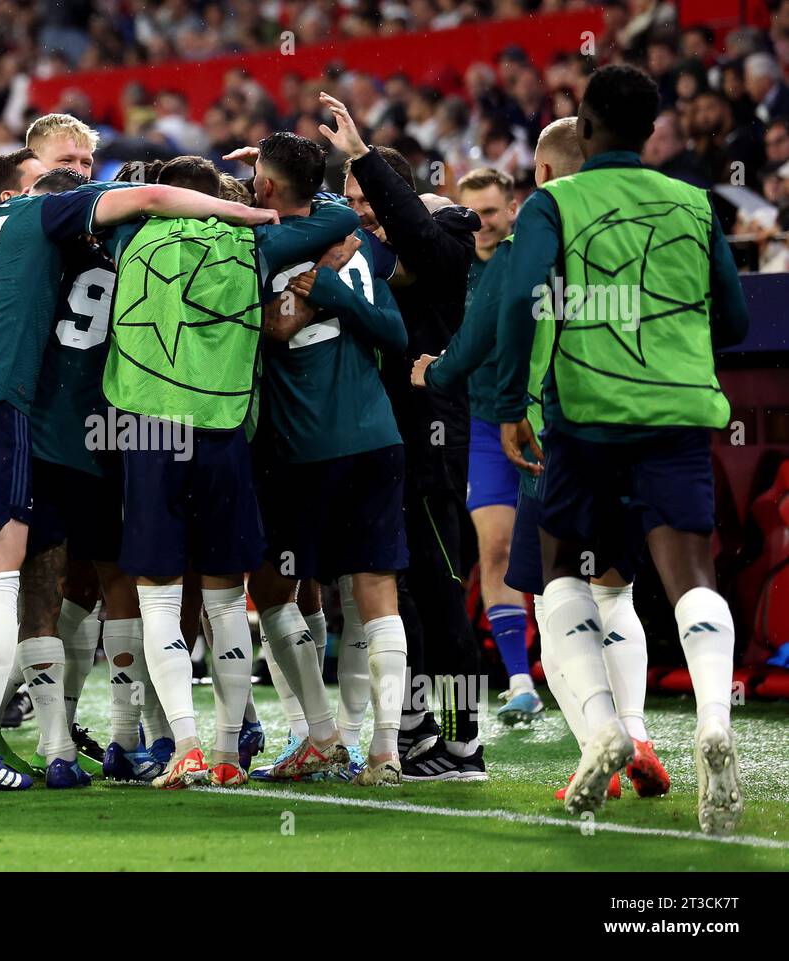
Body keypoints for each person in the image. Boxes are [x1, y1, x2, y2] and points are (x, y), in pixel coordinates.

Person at [0, 152, 276, 792]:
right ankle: (108, 738)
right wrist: (251, 211)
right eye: (74, 162)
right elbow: (150, 208)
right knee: (81, 582)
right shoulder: (113, 240)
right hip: (102, 428)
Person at [495, 65, 749, 834]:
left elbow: (520, 295)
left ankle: (604, 726)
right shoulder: (694, 202)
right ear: (649, 129)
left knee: (566, 570)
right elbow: (732, 321)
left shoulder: (556, 201)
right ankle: (713, 720)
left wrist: (511, 402)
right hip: (676, 414)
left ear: (587, 122)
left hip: (588, 421)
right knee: (689, 573)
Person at [413, 117, 671, 801]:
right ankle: (636, 728)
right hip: (637, 424)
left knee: (557, 590)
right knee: (613, 590)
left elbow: (496, 326)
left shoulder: (538, 234)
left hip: (534, 431)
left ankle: (599, 737)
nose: (489, 223)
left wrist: (438, 375)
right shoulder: (660, 212)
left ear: (539, 180)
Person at [99, 152, 355, 789]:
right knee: (222, 598)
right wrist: (266, 188)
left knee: (159, 597)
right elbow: (337, 212)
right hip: (224, 433)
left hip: (149, 425)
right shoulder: (254, 240)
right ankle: (224, 754)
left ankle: (180, 744)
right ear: (219, 194)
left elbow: (94, 202)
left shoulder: (131, 234)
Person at [323, 90, 489, 781]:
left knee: (441, 587)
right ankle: (420, 730)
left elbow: (418, 239)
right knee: (400, 592)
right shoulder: (358, 247)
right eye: (352, 198)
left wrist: (364, 155)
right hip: (375, 438)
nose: (361, 210)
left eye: (370, 196)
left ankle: (464, 742)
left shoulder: (444, 235)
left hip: (430, 438)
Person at [242, 132, 411, 786]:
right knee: (373, 592)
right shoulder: (354, 243)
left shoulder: (274, 243)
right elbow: (390, 331)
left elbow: (272, 324)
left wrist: (323, 293)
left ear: (266, 187)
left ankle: (327, 735)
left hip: (307, 448)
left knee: (273, 586)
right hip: (376, 440)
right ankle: (380, 751)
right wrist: (335, 288)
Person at [451, 167, 545, 723]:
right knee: (497, 548)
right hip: (481, 428)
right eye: (472, 214)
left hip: (540, 422)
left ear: (512, 211)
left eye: (491, 212)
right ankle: (519, 678)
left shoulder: (531, 265)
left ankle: (568, 665)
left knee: (558, 550)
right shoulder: (452, 268)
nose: (482, 223)